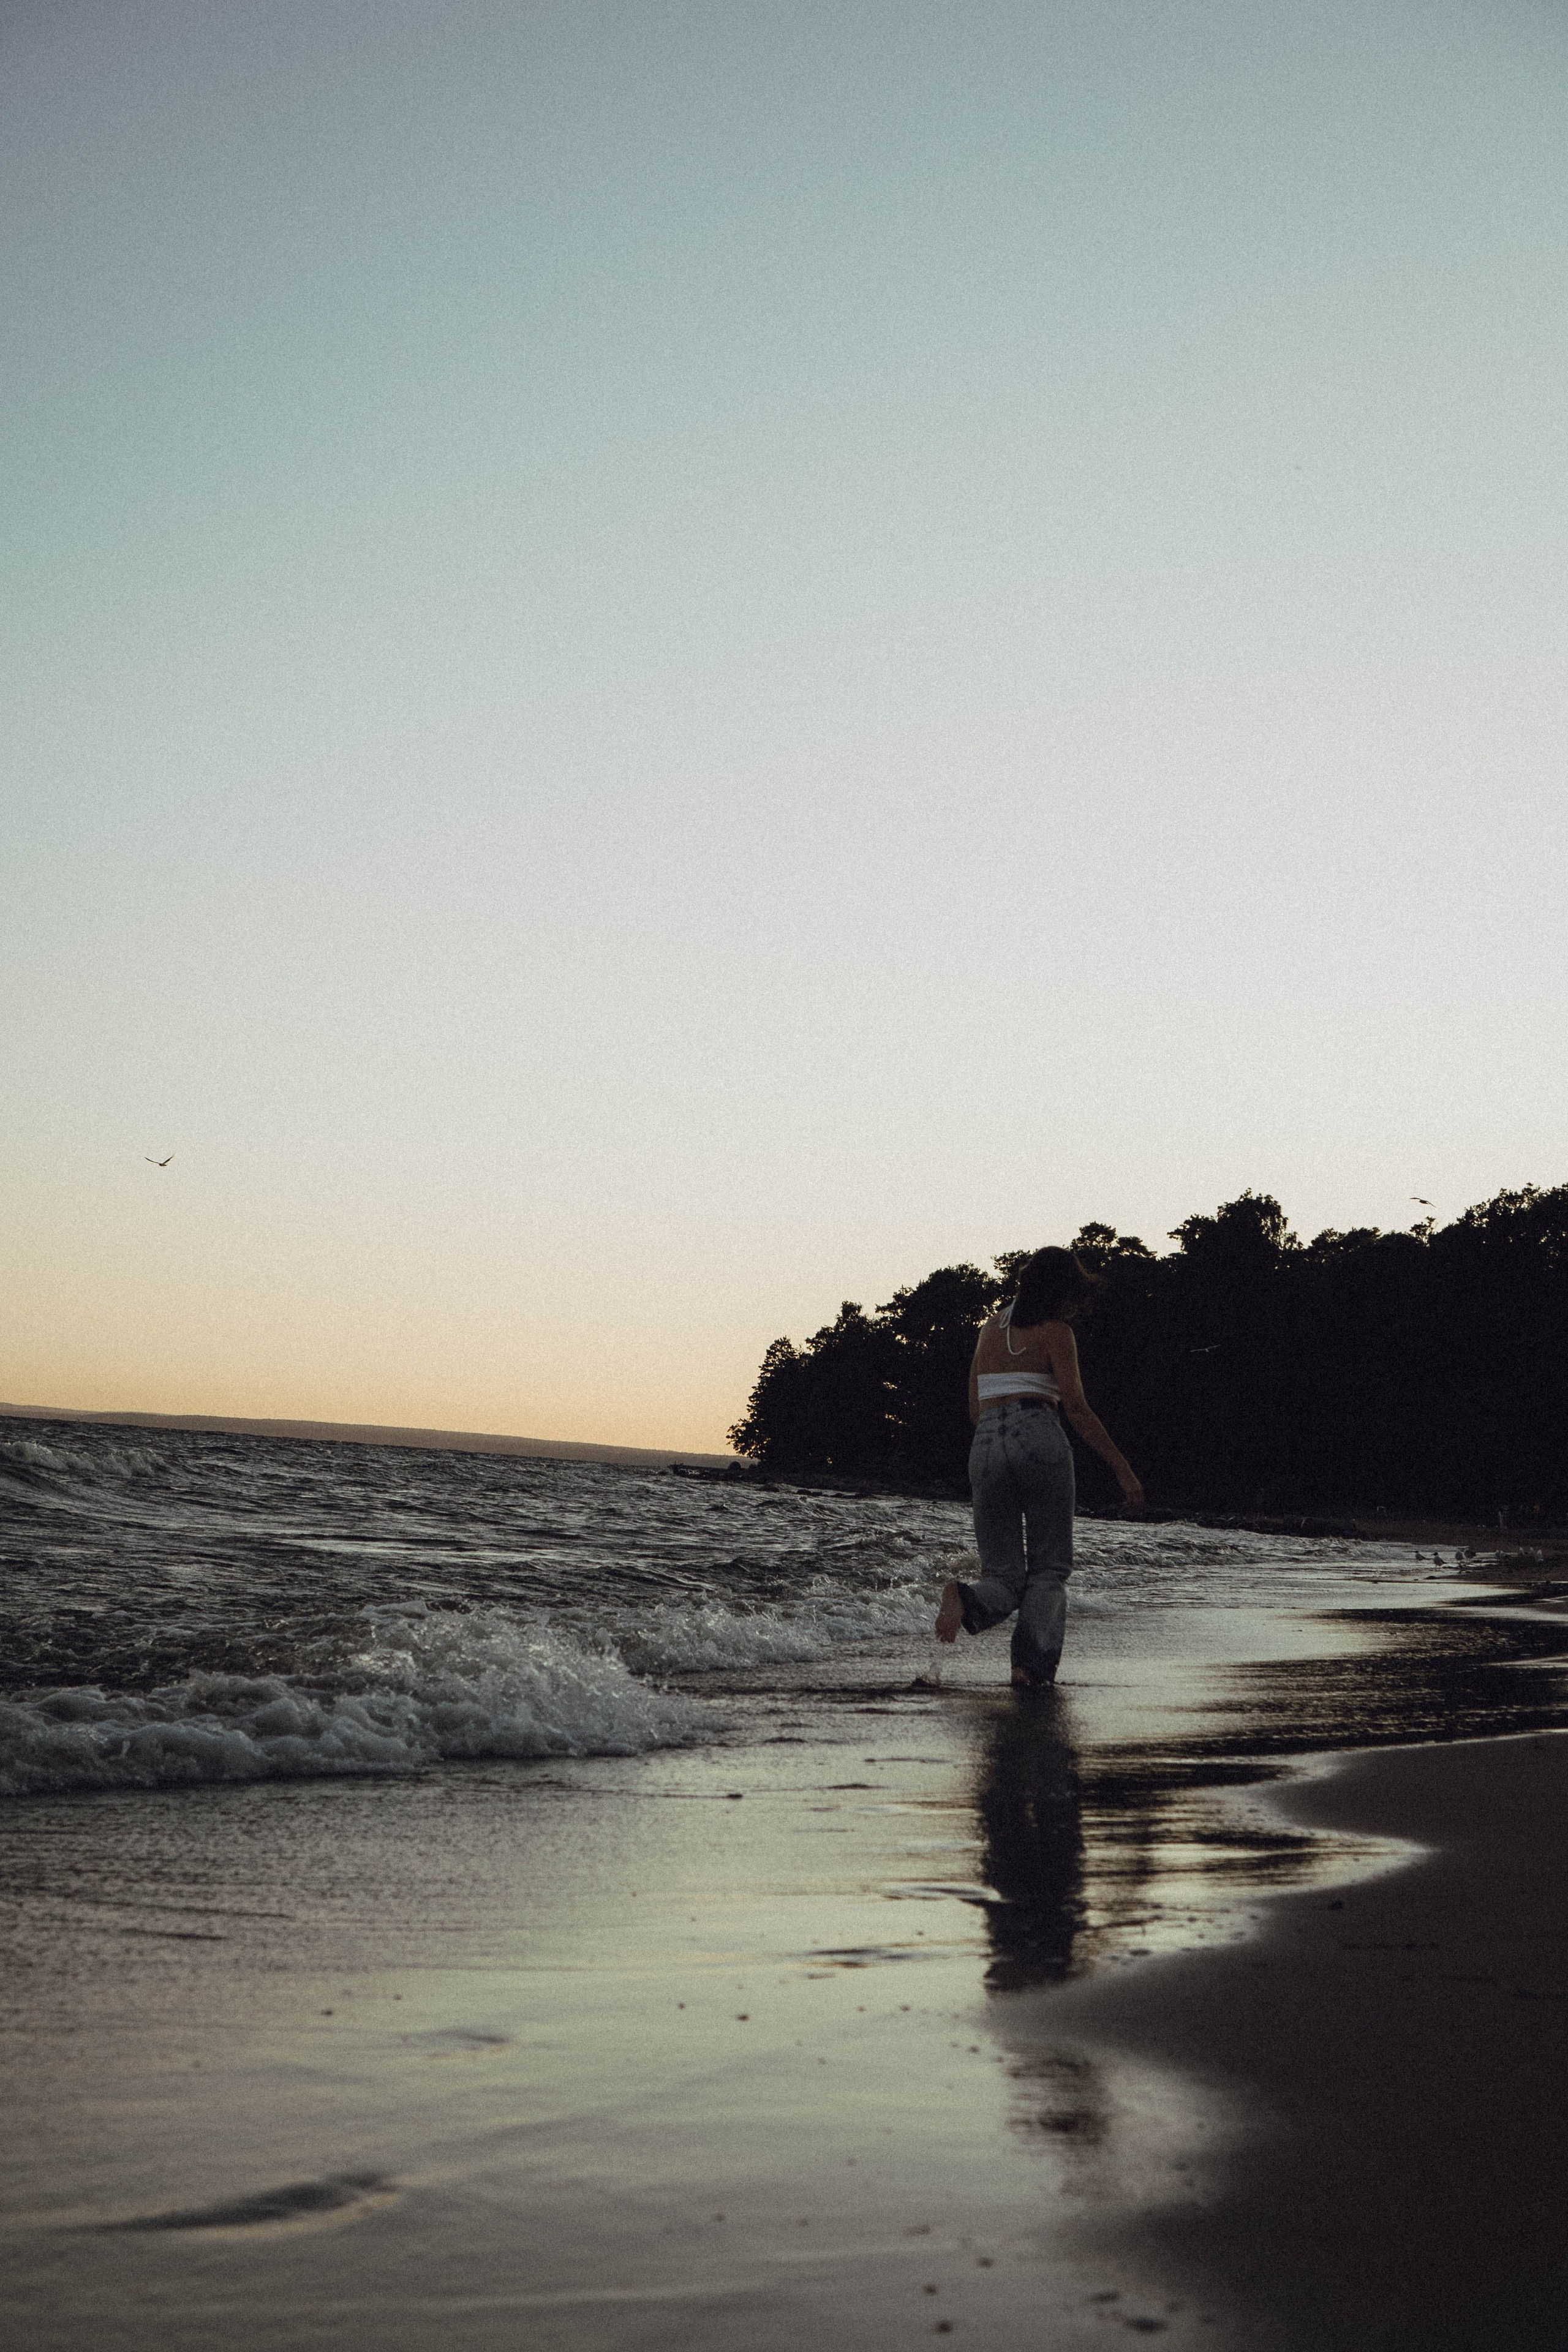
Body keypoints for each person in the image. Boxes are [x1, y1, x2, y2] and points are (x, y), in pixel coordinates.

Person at [935, 1246, 1144, 1687]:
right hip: (1039, 1431)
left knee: (1003, 1576)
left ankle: (966, 1598)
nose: (1075, 1306)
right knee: (1049, 1569)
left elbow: (975, 1407)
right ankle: (1028, 1669)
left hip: (986, 1441)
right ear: (1059, 1291)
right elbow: (1078, 1409)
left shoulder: (988, 1329)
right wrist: (1123, 1469)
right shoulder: (1056, 1332)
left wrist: (1001, 1438)